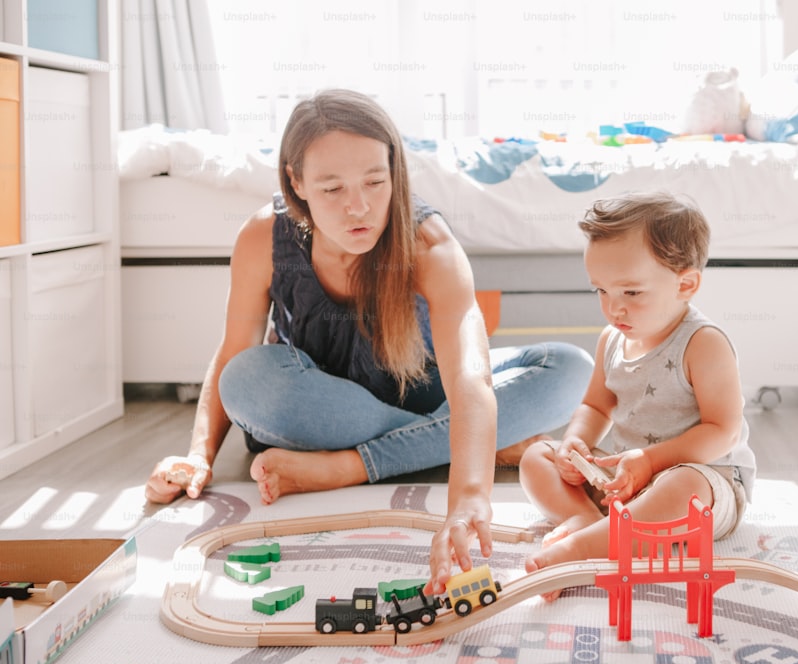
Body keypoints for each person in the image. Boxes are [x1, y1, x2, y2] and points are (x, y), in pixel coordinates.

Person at [144, 89, 594, 593]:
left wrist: (469, 498)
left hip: (427, 390)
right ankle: (451, 442)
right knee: (245, 379)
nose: (358, 207)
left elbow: (469, 379)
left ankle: (349, 467)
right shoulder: (262, 236)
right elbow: (233, 350)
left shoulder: (431, 245)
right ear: (296, 180)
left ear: (394, 171)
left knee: (571, 368)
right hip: (326, 408)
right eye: (332, 188)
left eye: (375, 182)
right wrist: (199, 455)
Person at [518, 191, 756, 598]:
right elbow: (596, 405)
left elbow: (724, 431)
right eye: (602, 291)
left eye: (630, 292)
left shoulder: (703, 343)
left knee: (684, 489)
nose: (614, 309)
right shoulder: (611, 340)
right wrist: (577, 443)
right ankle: (588, 522)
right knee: (536, 457)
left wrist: (650, 461)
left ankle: (584, 548)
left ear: (685, 283)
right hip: (625, 481)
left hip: (702, 478)